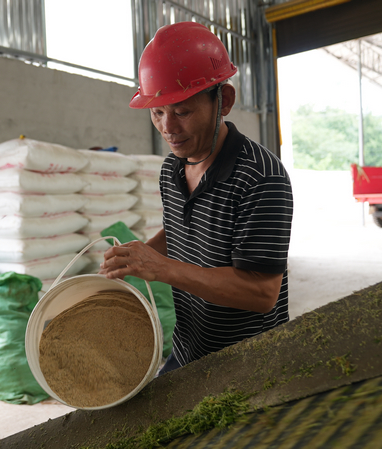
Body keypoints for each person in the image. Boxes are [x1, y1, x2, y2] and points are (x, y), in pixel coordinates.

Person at [100, 22, 293, 375]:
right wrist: (137, 257)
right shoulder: (172, 169)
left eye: (183, 111)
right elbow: (180, 233)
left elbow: (261, 293)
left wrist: (162, 269)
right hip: (188, 350)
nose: (168, 128)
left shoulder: (261, 177)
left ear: (225, 101)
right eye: (157, 112)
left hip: (250, 362)